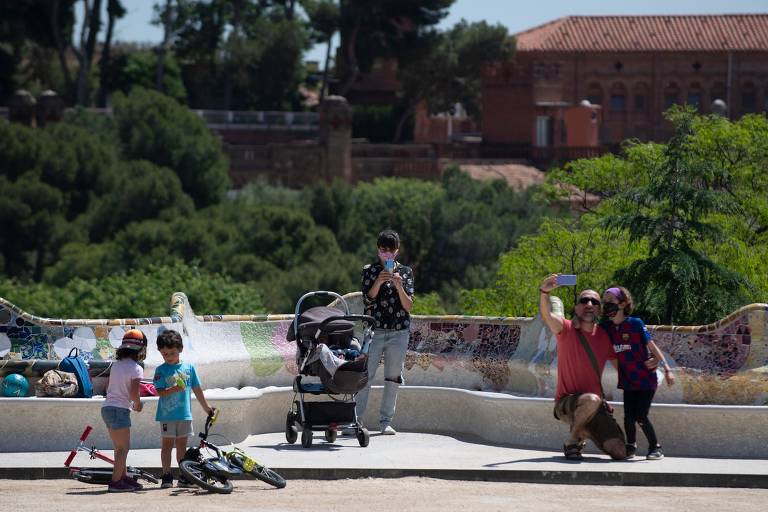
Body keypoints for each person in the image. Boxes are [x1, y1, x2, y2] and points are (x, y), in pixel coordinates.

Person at [539, 274, 626, 460]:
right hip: (567, 403)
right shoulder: (566, 329)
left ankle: (584, 429)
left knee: (620, 451)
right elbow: (547, 315)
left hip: (595, 406)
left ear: (599, 309)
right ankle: (573, 440)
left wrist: (651, 368)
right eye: (584, 300)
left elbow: (623, 367)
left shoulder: (605, 336)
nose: (589, 304)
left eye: (594, 302)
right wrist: (544, 292)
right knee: (592, 400)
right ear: (576, 307)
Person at [600, 286, 675, 460]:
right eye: (605, 303)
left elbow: (652, 347)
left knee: (640, 415)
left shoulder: (635, 324)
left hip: (646, 379)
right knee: (628, 417)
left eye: (611, 301)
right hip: (627, 380)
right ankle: (631, 446)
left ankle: (655, 447)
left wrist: (667, 369)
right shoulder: (606, 328)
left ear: (623, 303)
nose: (607, 306)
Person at [355, 229, 414, 435]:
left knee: (392, 377)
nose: (386, 255)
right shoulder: (369, 271)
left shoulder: (405, 272)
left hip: (399, 332)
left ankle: (386, 421)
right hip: (374, 330)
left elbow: (408, 306)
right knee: (365, 376)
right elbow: (368, 299)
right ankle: (355, 421)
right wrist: (379, 281)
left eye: (390, 251)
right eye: (382, 251)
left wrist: (399, 286)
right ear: (378, 250)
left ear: (397, 251)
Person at [153, 329, 214, 488]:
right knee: (166, 446)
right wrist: (172, 389)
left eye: (172, 353)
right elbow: (159, 392)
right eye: (165, 354)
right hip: (167, 416)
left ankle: (183, 475)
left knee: (182, 447)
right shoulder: (160, 370)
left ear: (180, 349)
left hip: (185, 415)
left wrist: (207, 408)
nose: (169, 357)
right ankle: (166, 475)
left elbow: (197, 390)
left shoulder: (189, 368)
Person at [100, 329, 147, 492]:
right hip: (120, 410)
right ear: (141, 349)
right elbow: (134, 393)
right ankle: (115, 483)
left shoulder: (116, 365)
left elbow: (109, 387)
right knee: (123, 449)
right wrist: (138, 405)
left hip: (107, 408)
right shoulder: (137, 368)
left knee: (118, 448)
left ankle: (123, 477)